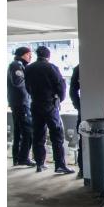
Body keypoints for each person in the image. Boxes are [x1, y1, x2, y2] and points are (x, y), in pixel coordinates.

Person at [25, 46, 75, 174]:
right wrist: (59, 99)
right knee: (57, 135)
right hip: (49, 105)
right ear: (48, 56)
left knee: (38, 135)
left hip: (35, 104)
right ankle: (59, 165)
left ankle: (39, 164)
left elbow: (27, 87)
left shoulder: (29, 68)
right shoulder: (51, 67)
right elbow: (61, 85)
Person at [7, 47, 35, 168]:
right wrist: (29, 80)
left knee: (18, 131)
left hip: (19, 102)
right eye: (29, 54)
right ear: (22, 55)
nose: (30, 57)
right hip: (20, 103)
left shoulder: (18, 65)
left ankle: (17, 158)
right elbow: (18, 81)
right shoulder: (16, 65)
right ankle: (23, 158)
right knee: (28, 131)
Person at [69, 65, 83, 179]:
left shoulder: (79, 67)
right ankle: (83, 169)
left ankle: (83, 169)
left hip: (84, 109)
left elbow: (73, 90)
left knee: (82, 142)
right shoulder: (80, 67)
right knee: (83, 141)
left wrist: (79, 106)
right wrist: (79, 106)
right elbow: (73, 90)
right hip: (85, 109)